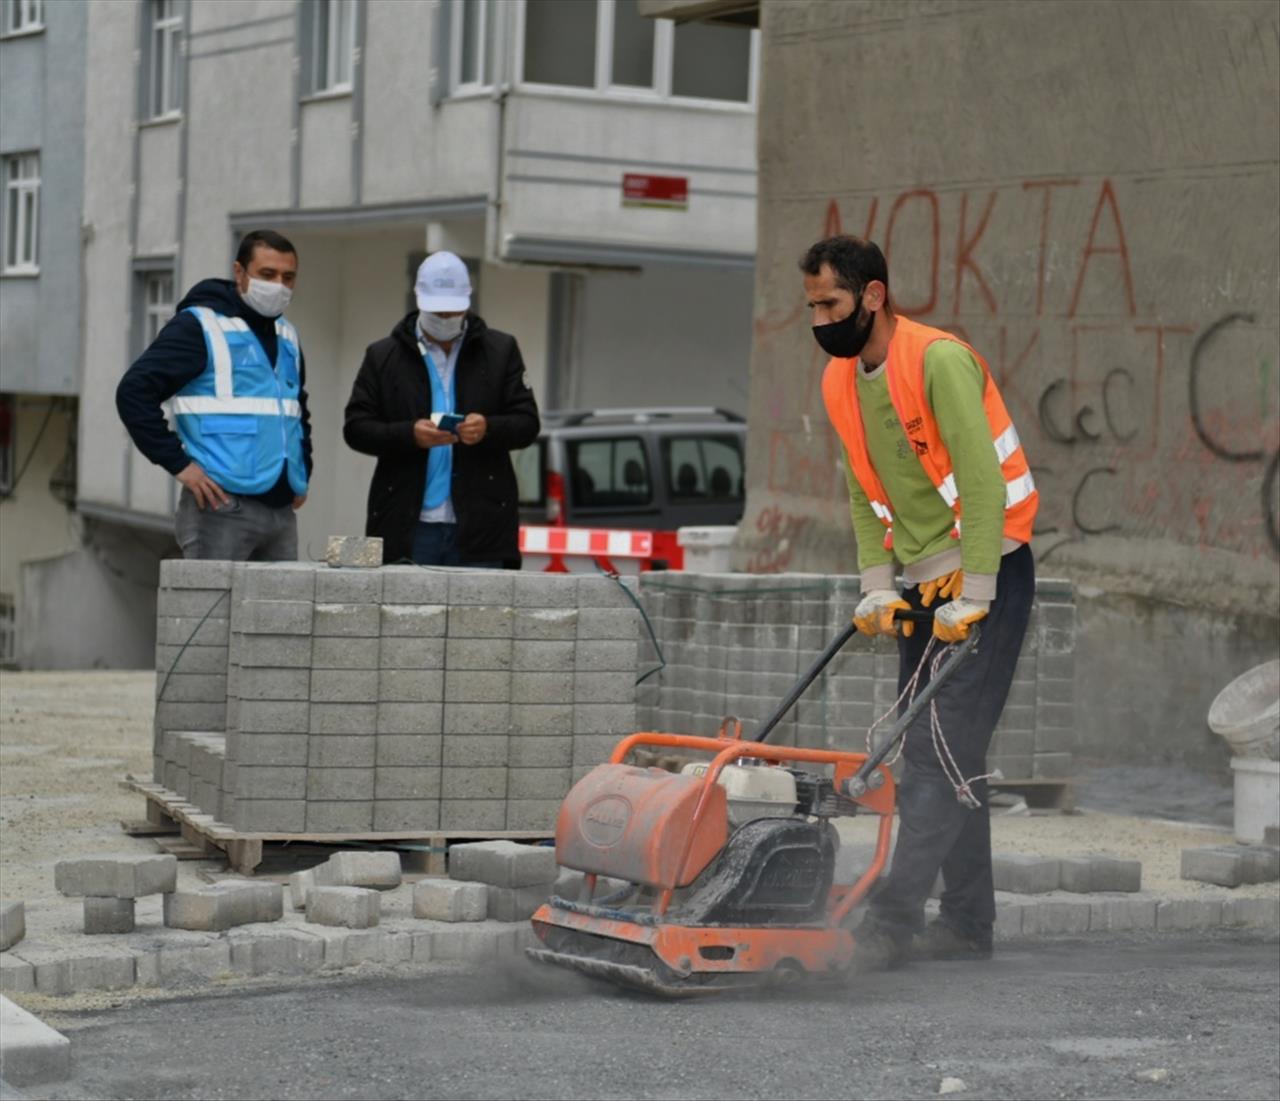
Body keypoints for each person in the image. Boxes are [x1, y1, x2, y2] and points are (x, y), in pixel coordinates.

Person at [802, 234, 1038, 968]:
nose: (820, 318)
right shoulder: (841, 381)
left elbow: (983, 480)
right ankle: (968, 924)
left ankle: (892, 921)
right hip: (922, 582)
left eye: (831, 303)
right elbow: (860, 490)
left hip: (988, 567)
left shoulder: (936, 360)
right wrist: (877, 584)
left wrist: (976, 593)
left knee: (936, 757)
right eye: (811, 305)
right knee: (944, 750)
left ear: (872, 295)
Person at [116, 229, 312, 560]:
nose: (279, 285)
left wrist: (302, 470)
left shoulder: (287, 334)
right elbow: (133, 392)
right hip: (221, 508)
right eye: (268, 274)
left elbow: (297, 410)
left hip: (281, 509)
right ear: (240, 272)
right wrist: (179, 465)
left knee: (278, 613)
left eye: (288, 277)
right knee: (210, 611)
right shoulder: (200, 326)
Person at [343, 251, 540, 567]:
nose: (446, 318)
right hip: (408, 522)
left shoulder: (500, 351)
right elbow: (356, 428)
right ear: (419, 301)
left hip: (481, 525)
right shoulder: (383, 356)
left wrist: (488, 428)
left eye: (453, 311)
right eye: (438, 312)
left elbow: (527, 423)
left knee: (482, 614)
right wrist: (408, 434)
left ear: (467, 304)